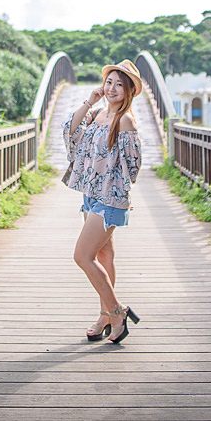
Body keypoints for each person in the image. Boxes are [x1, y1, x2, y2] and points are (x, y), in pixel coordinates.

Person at [62, 59, 143, 343]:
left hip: (109, 198)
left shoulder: (125, 120)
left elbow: (134, 164)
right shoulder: (96, 114)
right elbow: (70, 131)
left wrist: (111, 180)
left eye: (119, 84)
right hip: (91, 195)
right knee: (103, 255)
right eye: (109, 82)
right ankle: (105, 315)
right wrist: (89, 100)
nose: (111, 88)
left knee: (82, 256)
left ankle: (117, 311)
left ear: (130, 90)